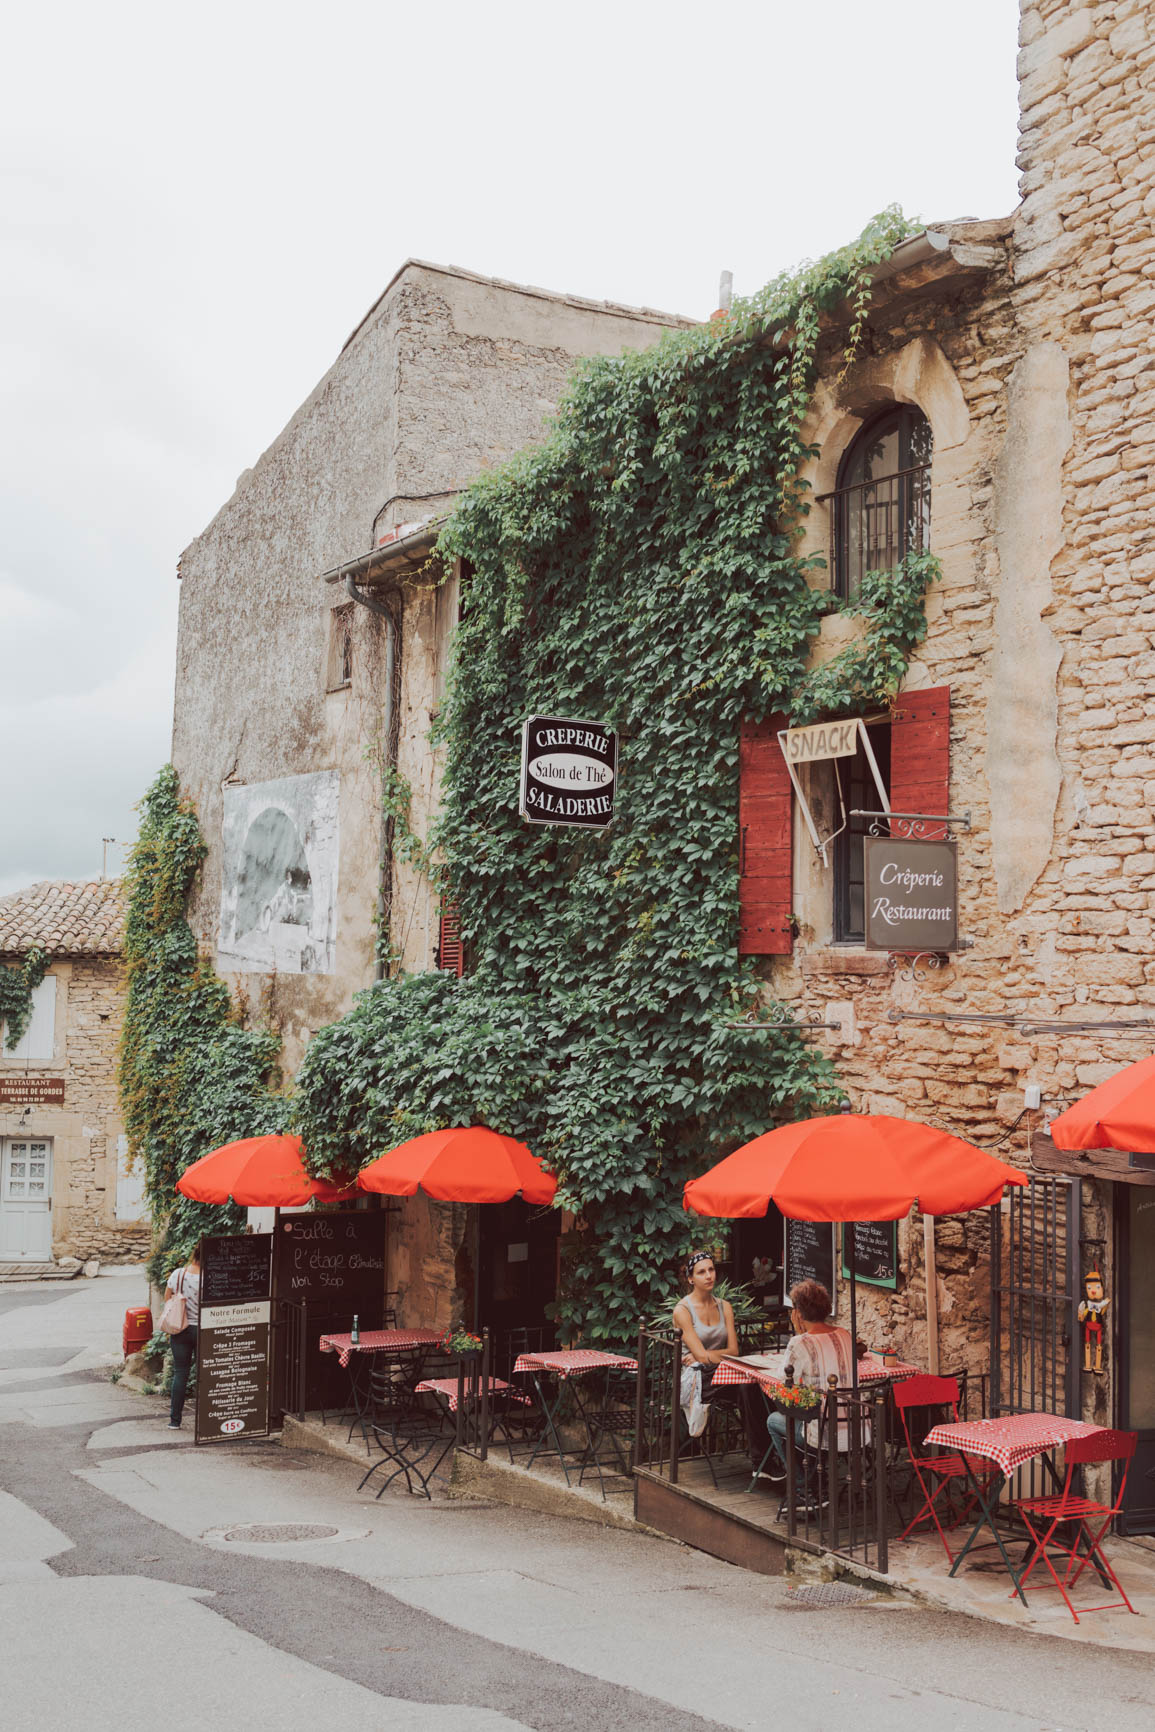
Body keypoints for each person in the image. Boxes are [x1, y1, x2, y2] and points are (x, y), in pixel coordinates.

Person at [764, 1278, 855, 1513]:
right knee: (803, 1416)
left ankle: (804, 1489)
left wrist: (798, 1334)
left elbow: (783, 1379)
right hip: (856, 1430)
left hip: (822, 1432)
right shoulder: (845, 1335)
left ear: (798, 1313)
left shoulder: (800, 1343)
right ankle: (817, 1482)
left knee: (775, 1420)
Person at [673, 1250, 739, 1437]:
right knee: (747, 1389)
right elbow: (702, 1358)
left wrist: (703, 1355)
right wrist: (702, 1356)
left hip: (721, 1374)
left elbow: (734, 1351)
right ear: (690, 1278)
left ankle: (761, 1460)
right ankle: (762, 1459)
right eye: (701, 1272)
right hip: (697, 1377)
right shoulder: (682, 1310)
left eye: (711, 1269)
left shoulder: (724, 1306)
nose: (709, 1276)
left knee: (750, 1388)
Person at [165, 1244, 202, 1429]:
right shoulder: (211, 1277)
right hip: (203, 1329)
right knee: (206, 1374)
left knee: (181, 1373)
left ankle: (174, 1421)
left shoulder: (178, 1274)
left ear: (193, 1254)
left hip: (180, 1328)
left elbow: (167, 1298)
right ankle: (207, 1420)